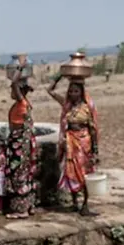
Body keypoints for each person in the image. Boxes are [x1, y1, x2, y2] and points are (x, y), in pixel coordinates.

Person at [47, 75, 99, 216]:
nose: (73, 94)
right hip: (70, 141)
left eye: (76, 91)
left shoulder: (88, 107)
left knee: (83, 173)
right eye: (71, 91)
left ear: (81, 92)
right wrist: (59, 77)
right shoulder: (67, 105)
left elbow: (93, 128)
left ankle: (85, 205)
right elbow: (49, 90)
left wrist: (95, 150)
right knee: (71, 172)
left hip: (83, 142)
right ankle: (75, 203)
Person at [7, 70, 39, 218]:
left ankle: (21, 210)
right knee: (27, 173)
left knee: (18, 173)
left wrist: (18, 69)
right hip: (24, 142)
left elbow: (13, 82)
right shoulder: (25, 104)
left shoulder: (21, 103)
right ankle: (29, 205)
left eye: (13, 90)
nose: (11, 92)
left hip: (19, 143)